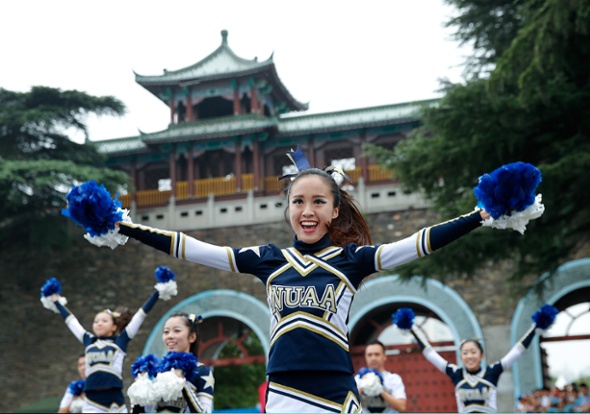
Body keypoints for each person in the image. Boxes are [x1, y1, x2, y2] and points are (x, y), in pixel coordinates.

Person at [67, 147, 547, 412]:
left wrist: (480, 215)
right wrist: (124, 226)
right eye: (299, 201)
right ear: (288, 209)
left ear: (335, 209)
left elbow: (417, 242)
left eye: (319, 201)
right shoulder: (267, 259)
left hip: (337, 393)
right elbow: (193, 247)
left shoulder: (354, 259)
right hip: (283, 394)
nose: (308, 210)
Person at [41, 269, 172, 413]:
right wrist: (57, 302)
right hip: (92, 400)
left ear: (114, 326)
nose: (99, 323)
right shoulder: (88, 340)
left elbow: (141, 315)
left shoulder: (121, 341)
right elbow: (71, 321)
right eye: (96, 321)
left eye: (104, 320)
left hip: (115, 399)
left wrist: (158, 292)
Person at [408, 304, 557, 413]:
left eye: (473, 352)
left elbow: (517, 351)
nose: (469, 356)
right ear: (460, 357)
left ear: (481, 355)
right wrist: (411, 329)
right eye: (465, 353)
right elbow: (430, 354)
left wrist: (534, 328)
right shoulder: (456, 374)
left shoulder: (492, 372)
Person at [130, 312, 215, 413]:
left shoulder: (201, 371)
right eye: (166, 332)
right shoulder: (157, 372)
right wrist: (140, 387)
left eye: (177, 331)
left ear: (192, 337)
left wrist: (182, 384)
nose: (170, 336)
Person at [355, 340, 407, 412]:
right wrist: (362, 386)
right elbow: (347, 404)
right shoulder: (357, 379)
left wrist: (380, 389)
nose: (373, 358)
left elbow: (402, 406)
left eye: (377, 354)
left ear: (384, 356)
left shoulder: (394, 378)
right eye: (370, 355)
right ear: (365, 357)